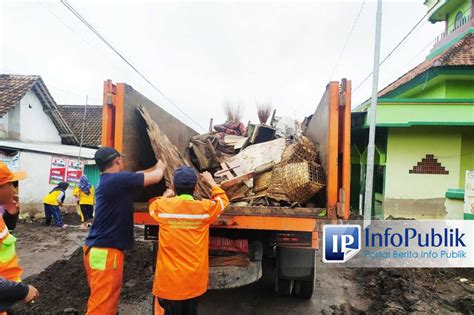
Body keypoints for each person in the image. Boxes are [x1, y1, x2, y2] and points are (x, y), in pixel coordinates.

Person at [84, 147, 166, 315]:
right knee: (102, 305)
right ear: (117, 160)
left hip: (98, 250)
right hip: (106, 253)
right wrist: (164, 161)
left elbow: (141, 173)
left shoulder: (111, 181)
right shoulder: (117, 181)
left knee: (102, 299)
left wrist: (155, 166)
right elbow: (156, 176)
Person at [149, 167, 229, 315]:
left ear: (173, 186)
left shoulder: (163, 207)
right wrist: (211, 182)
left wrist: (166, 195)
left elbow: (152, 206)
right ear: (196, 187)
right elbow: (223, 201)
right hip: (194, 282)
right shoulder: (205, 209)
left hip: (169, 282)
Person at [0, 162, 39, 313]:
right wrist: (23, 291)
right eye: (11, 184)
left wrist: (10, 214)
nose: (14, 189)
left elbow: (4, 238)